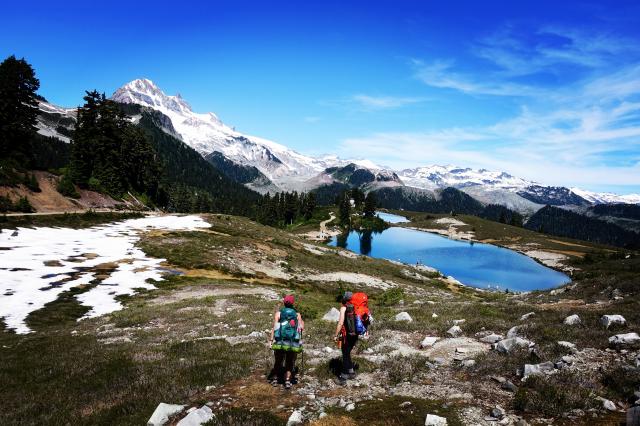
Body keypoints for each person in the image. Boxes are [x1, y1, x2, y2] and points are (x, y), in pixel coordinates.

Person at [269, 294, 304, 389]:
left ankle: (275, 379)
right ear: (293, 303)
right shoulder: (297, 314)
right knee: (289, 361)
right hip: (292, 341)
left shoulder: (278, 314)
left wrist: (271, 340)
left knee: (278, 360)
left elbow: (274, 327)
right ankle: (287, 380)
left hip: (280, 341)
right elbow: (301, 328)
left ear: (284, 303)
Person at [334, 291, 358, 384]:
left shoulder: (344, 308)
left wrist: (336, 335)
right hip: (355, 334)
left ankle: (343, 377)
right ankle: (351, 372)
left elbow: (340, 323)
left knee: (345, 353)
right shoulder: (356, 308)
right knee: (347, 353)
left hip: (346, 335)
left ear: (345, 299)